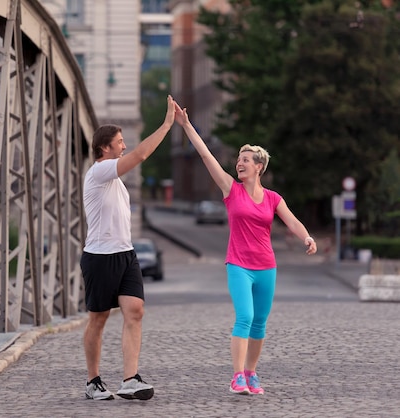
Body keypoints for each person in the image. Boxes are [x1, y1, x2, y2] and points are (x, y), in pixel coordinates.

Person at [173, 100, 317, 395]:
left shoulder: (273, 198)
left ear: (259, 167)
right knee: (245, 317)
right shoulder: (230, 189)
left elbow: (292, 221)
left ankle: (251, 373)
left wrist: (307, 238)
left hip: (266, 266)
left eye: (246, 160)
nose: (240, 163)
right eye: (238, 159)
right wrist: (187, 125)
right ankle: (237, 375)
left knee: (260, 323)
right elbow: (205, 155)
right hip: (239, 265)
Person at [80, 95, 176, 401]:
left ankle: (130, 379)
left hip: (125, 254)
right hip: (99, 256)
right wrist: (167, 124)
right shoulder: (99, 172)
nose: (124, 145)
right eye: (120, 142)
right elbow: (141, 155)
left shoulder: (113, 180)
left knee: (135, 311)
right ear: (105, 147)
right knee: (99, 318)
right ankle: (93, 381)